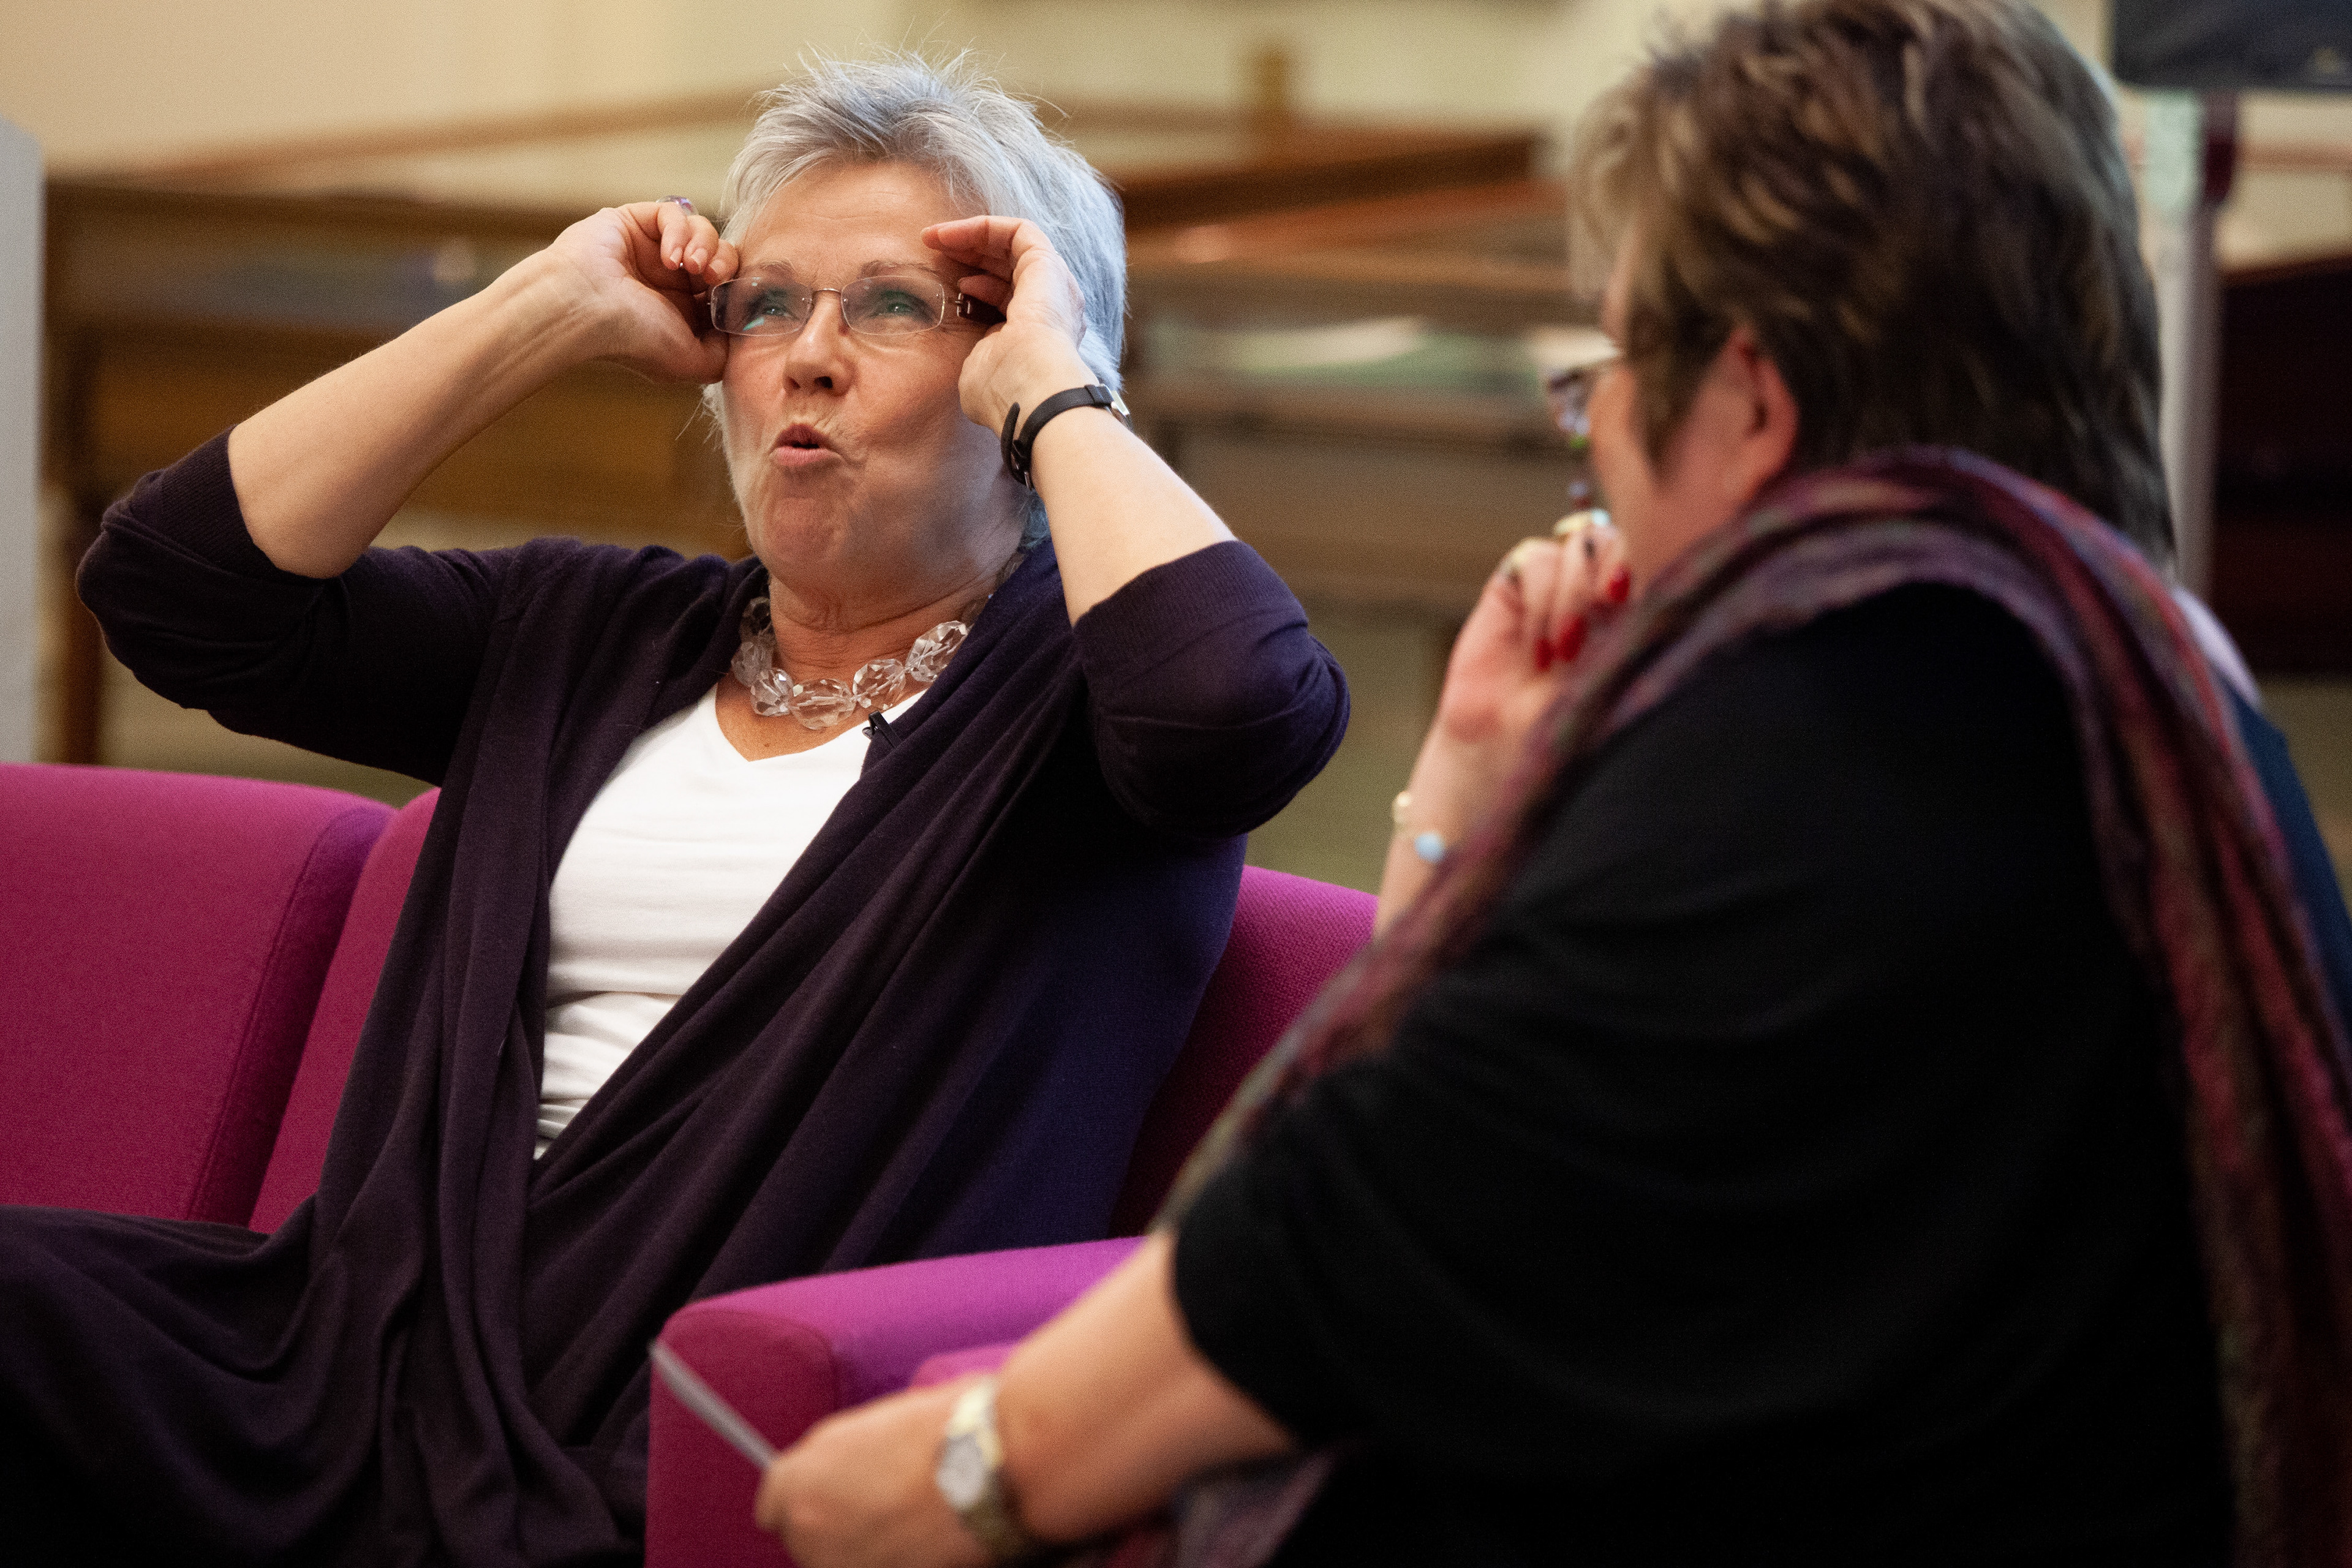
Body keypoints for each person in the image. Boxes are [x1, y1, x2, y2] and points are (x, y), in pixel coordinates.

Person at [747, 4, 2352, 1566]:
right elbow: (1528, 1124)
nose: (1598, 445)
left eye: (1613, 367)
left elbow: (1348, 1235)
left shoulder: (1842, 719)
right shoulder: (2127, 670)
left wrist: (967, 1470)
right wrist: (1473, 797)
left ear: (1750, 400)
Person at [1, 53, 1346, 1565]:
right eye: (765, 304)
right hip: (336, 1367)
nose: (808, 355)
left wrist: (1058, 380)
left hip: (669, 1436)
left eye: (895, 305)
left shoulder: (1087, 704)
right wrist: (543, 311)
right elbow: (178, 590)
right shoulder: (592, 631)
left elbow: (1244, 714)